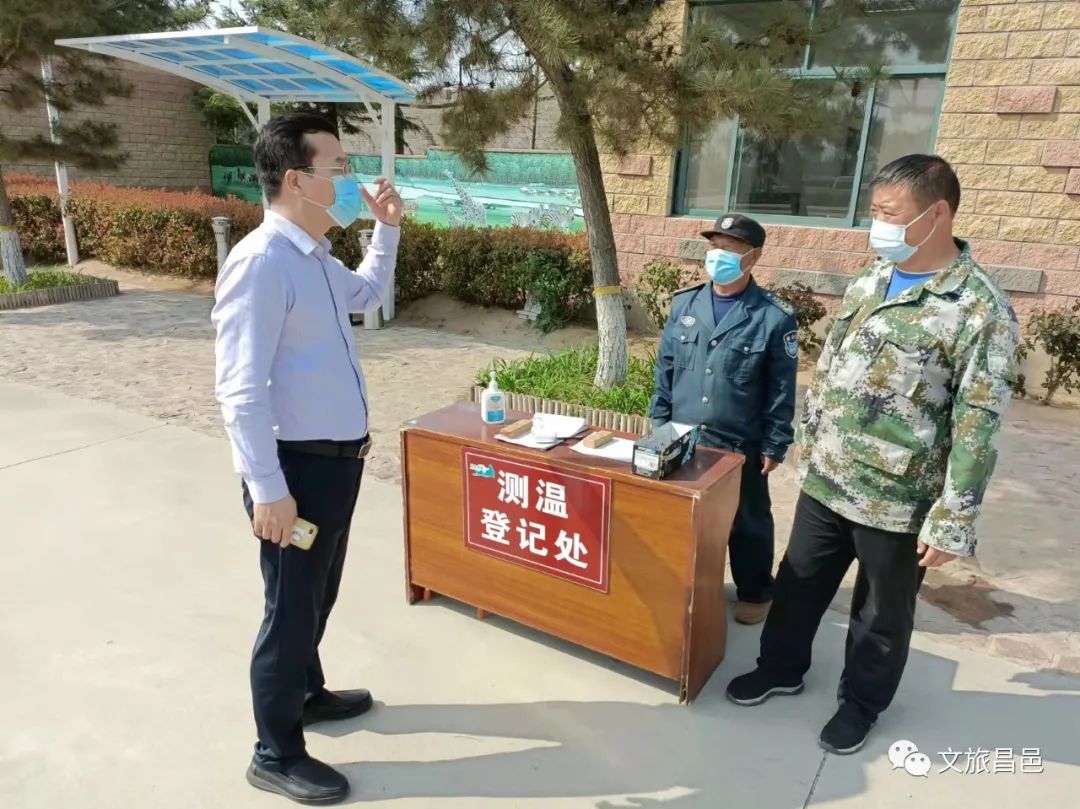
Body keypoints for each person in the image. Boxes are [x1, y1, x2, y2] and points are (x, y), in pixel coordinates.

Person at [726, 154, 1020, 755]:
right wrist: (810, 439)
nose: (877, 225)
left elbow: (978, 422)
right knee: (799, 582)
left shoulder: (979, 309)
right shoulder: (873, 279)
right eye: (875, 212)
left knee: (880, 613)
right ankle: (780, 668)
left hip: (898, 498)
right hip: (829, 477)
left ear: (936, 214)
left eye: (889, 213)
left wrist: (954, 517)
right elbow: (833, 363)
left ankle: (860, 704)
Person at [212, 112, 402, 805]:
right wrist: (268, 488)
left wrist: (386, 228)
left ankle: (307, 691)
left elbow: (369, 293)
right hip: (294, 474)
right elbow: (239, 390)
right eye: (338, 168)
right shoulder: (262, 263)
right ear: (296, 179)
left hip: (335, 468)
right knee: (290, 608)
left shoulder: (314, 258)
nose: (349, 179)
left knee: (318, 595)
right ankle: (276, 750)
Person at [650, 213, 799, 625]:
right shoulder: (685, 304)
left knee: (748, 520)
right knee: (684, 516)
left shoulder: (773, 316)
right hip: (681, 433)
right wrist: (658, 421)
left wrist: (776, 442)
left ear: (753, 257)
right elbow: (666, 367)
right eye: (714, 247)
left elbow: (781, 387)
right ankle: (689, 585)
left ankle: (755, 591)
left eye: (730, 249)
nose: (718, 256)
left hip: (739, 440)